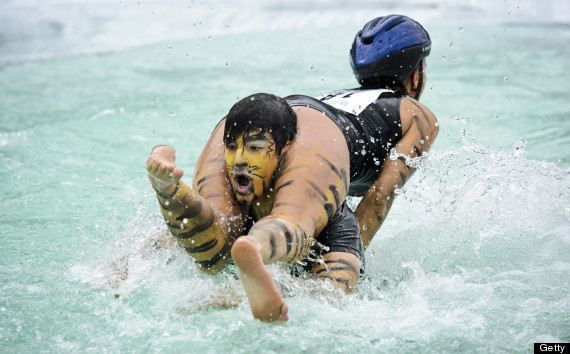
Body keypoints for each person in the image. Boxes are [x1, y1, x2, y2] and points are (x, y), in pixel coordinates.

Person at [146, 14, 438, 322]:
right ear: (415, 75)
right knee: (309, 251)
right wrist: (346, 257)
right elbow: (379, 196)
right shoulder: (416, 115)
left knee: (214, 241)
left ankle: (170, 194)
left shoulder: (337, 95)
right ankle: (255, 250)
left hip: (249, 122)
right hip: (319, 135)